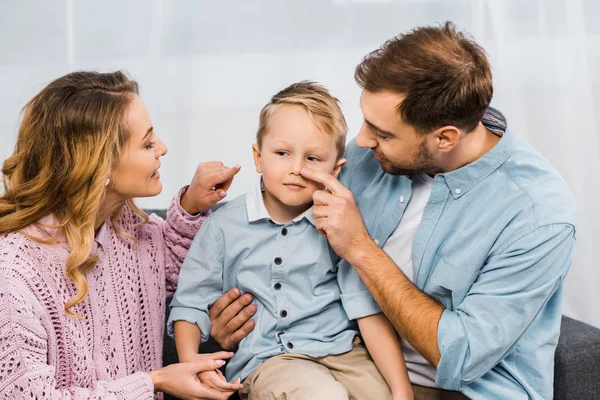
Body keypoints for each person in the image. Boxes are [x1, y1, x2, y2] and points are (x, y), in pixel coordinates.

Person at [208, 23, 577, 400]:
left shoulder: (537, 215)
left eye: (382, 133)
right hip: (347, 364)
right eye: (366, 120)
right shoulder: (368, 159)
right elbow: (280, 236)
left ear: (444, 138)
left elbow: (461, 357)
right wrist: (232, 322)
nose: (362, 141)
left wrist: (361, 249)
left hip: (464, 390)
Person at [0, 70, 243, 399]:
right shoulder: (14, 272)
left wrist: (192, 205)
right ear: (100, 165)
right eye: (147, 143)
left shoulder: (126, 228)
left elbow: (175, 271)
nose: (163, 148)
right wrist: (153, 383)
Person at [168, 81, 413, 399]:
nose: (296, 168)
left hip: (344, 353)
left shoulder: (339, 225)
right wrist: (191, 362)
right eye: (282, 153)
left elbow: (365, 308)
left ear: (335, 170)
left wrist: (402, 389)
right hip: (272, 360)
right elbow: (190, 301)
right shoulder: (223, 226)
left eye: (313, 158)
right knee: (323, 396)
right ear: (258, 157)